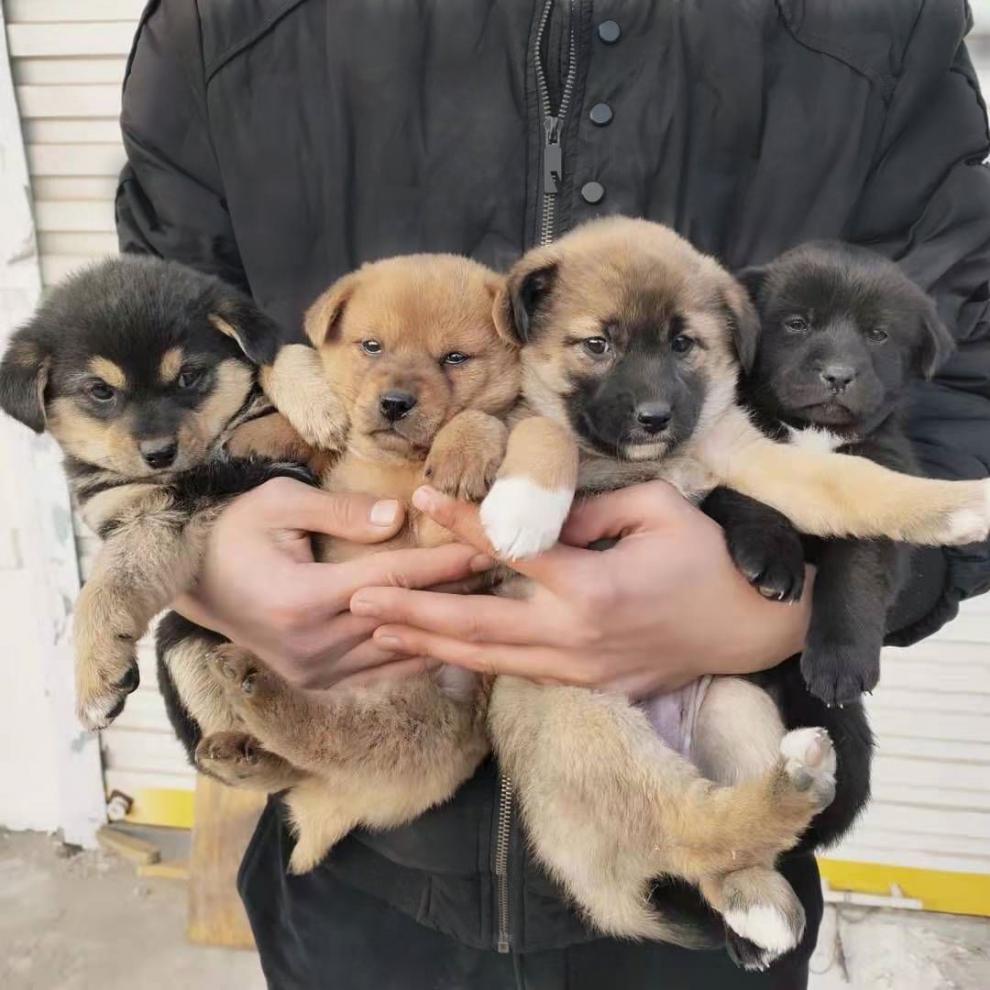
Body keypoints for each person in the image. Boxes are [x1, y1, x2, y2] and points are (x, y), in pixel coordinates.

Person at [116, 2, 990, 987]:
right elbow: (140, 356)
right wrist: (212, 560)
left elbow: (961, 371)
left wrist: (771, 617)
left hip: (702, 843)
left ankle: (723, 854)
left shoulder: (879, 20)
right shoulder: (220, 19)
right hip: (356, 848)